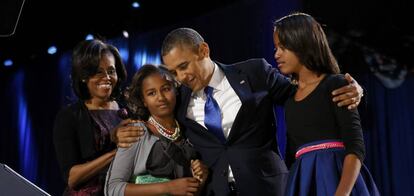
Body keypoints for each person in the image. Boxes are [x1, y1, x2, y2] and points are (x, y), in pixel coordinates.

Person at [158, 27, 363, 196]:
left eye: (184, 66)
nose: (181, 77)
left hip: (268, 188)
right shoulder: (179, 101)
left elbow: (305, 92)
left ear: (203, 50)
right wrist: (126, 131)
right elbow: (153, 121)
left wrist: (353, 88)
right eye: (174, 72)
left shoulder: (255, 72)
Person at [273, 12, 379, 196]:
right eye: (276, 48)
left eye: (283, 47)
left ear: (302, 43)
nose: (276, 54)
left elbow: (355, 146)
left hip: (338, 179)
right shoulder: (289, 99)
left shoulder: (336, 85)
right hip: (304, 182)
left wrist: (342, 193)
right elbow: (291, 157)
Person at [53, 39, 142, 195]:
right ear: (83, 76)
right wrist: (118, 151)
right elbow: (72, 178)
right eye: (98, 72)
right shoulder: (69, 117)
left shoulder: (129, 110)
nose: (106, 77)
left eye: (111, 71)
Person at [105, 64, 209, 196]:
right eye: (151, 93)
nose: (160, 97)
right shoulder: (136, 133)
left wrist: (200, 181)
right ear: (144, 101)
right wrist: (168, 187)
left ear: (175, 90)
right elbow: (112, 189)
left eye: (165, 89)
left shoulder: (188, 132)